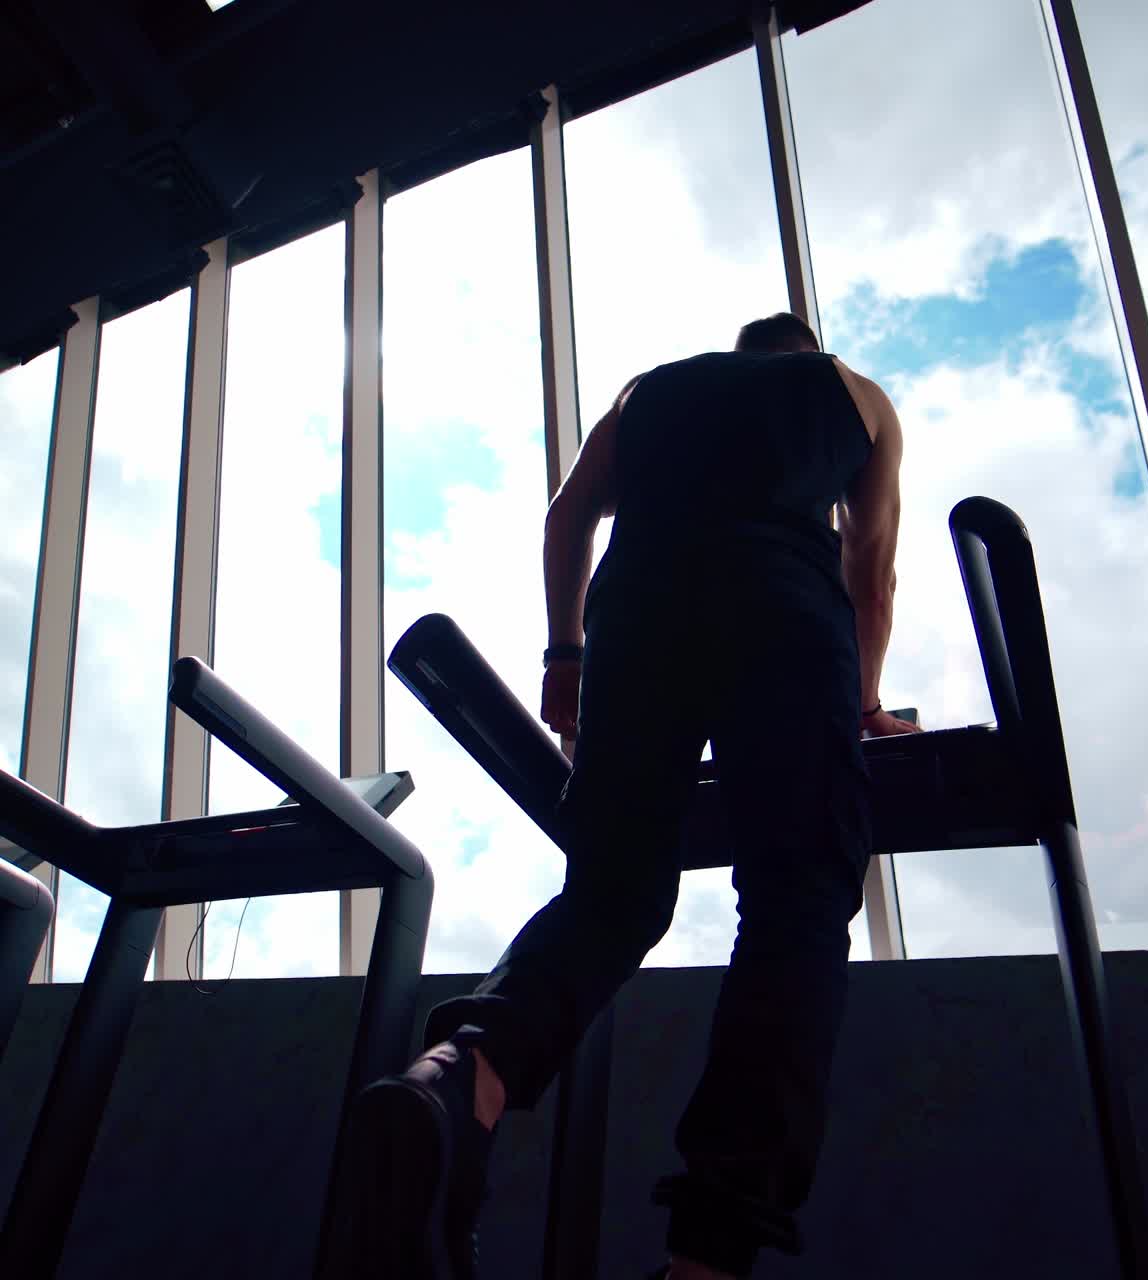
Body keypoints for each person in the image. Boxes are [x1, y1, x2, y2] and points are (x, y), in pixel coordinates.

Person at [332, 312, 922, 1279]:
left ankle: (463, 1075)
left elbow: (569, 516)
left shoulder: (651, 388)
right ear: (806, 349)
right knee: (800, 898)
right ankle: (710, 1255)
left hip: (639, 613)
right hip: (783, 611)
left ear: (740, 353)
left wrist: (565, 655)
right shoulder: (857, 395)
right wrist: (861, 703)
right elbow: (873, 570)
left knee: (612, 894)